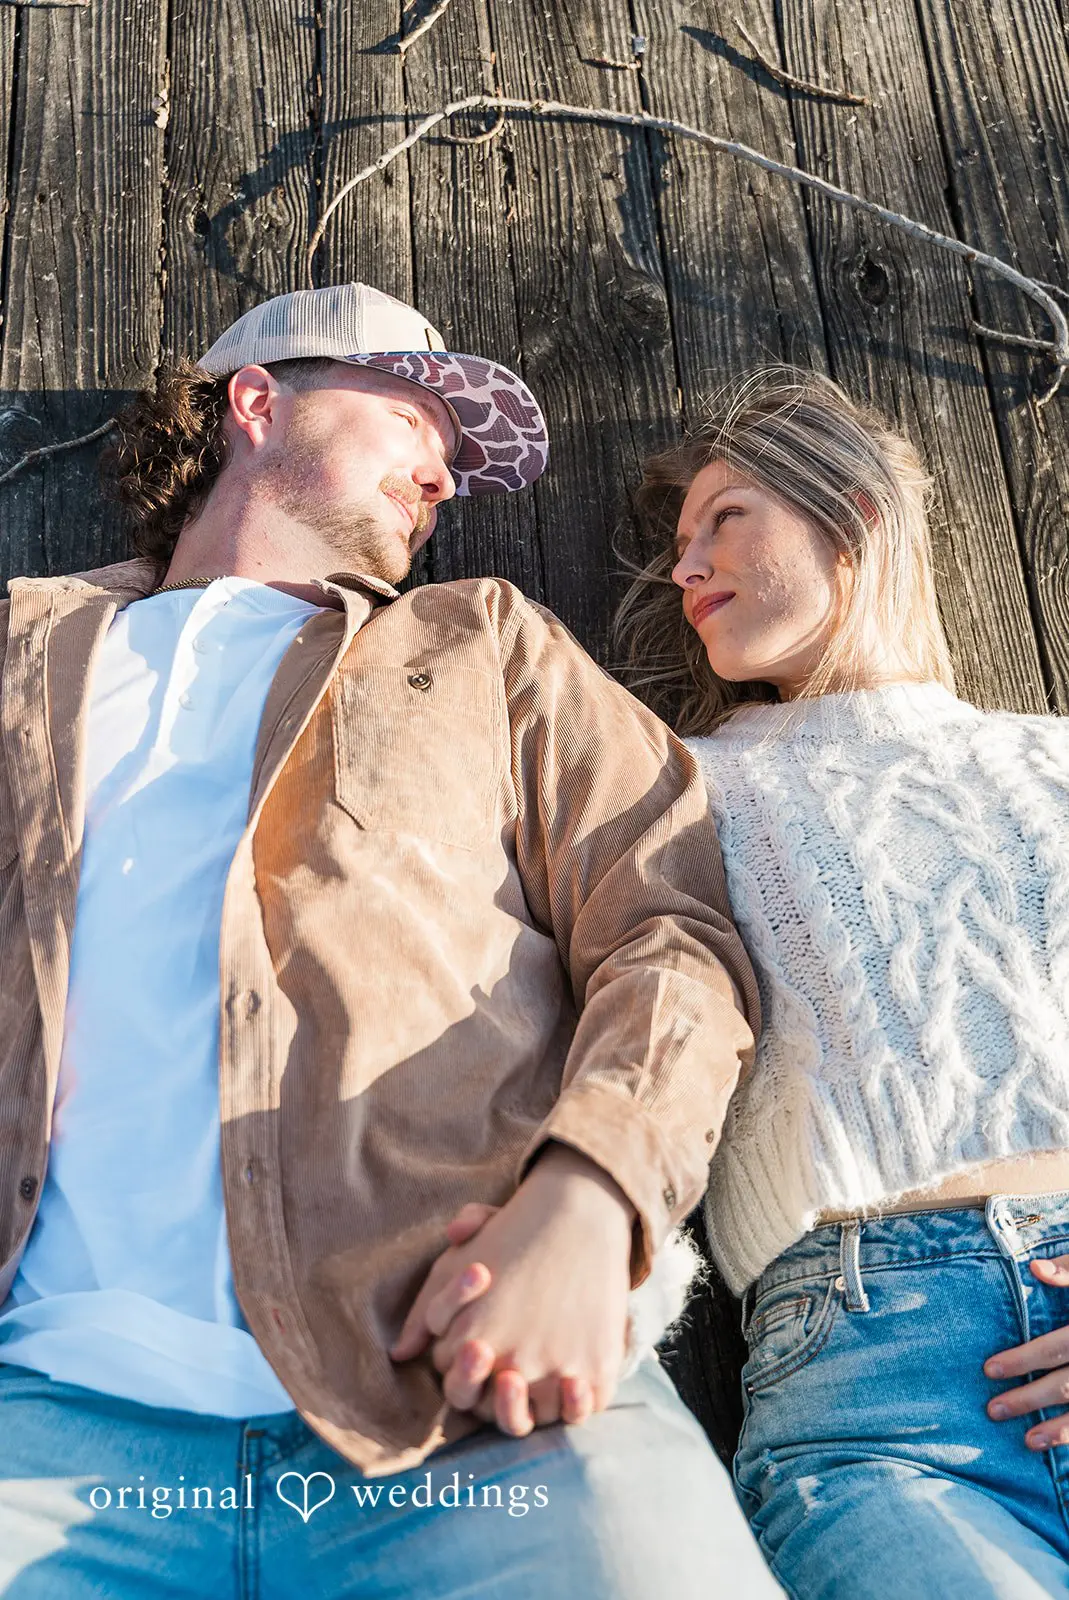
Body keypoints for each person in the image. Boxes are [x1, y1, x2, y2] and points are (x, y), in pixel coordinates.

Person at [0, 283, 781, 1598]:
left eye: (457, 456)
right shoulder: (22, 648)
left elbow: (673, 932)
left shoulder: (485, 646)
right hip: (45, 1431)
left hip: (480, 1403)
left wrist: (592, 1199)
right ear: (256, 404)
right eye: (411, 414)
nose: (443, 471)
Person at [605, 365, 1069, 1598]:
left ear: (853, 515)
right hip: (878, 1392)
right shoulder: (677, 786)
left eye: (727, 519)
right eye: (679, 540)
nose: (686, 566)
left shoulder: (1055, 764)